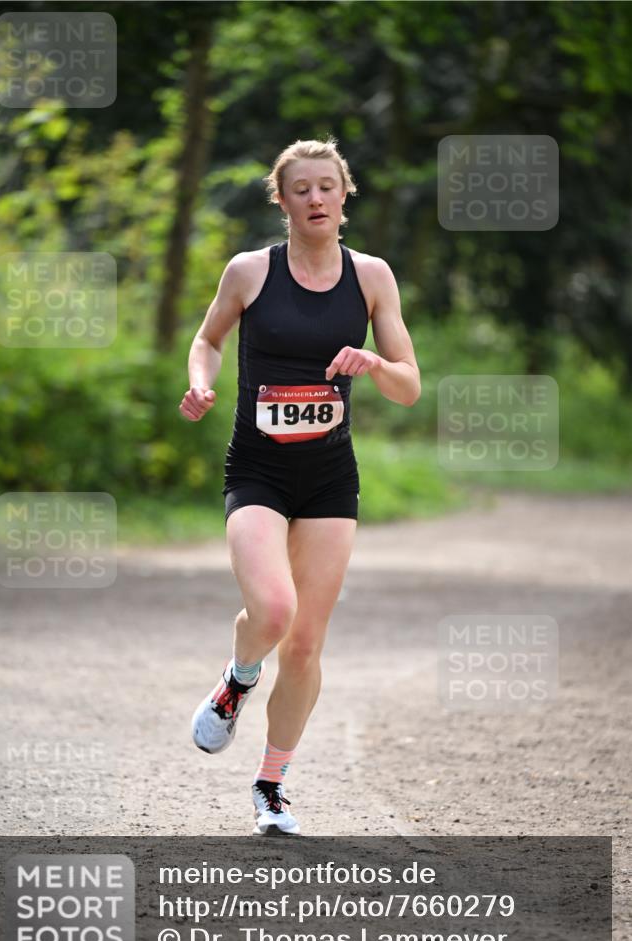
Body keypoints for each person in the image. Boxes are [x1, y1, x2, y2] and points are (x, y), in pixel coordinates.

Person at [179, 137, 420, 835]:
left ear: (344, 197)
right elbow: (208, 339)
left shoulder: (371, 276)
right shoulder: (251, 271)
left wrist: (374, 362)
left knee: (307, 643)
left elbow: (408, 387)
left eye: (326, 187)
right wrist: (200, 382)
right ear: (280, 201)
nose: (314, 199)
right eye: (300, 189)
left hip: (327, 478)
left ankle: (271, 786)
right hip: (256, 468)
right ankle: (238, 678)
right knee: (274, 612)